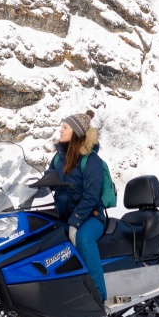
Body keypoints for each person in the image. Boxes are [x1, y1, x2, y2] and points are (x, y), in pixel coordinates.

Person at [48, 110, 108, 306]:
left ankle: (98, 298)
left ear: (75, 132)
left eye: (65, 127)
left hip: (92, 217)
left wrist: (75, 222)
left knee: (83, 239)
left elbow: (91, 196)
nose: (60, 130)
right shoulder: (58, 159)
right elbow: (46, 182)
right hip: (64, 216)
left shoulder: (91, 161)